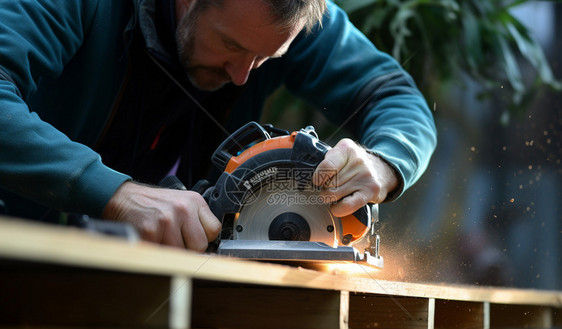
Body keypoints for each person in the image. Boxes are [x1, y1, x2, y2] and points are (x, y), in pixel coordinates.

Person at [0, 0, 437, 251]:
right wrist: (113, 192)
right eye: (230, 44)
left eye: (267, 58)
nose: (244, 74)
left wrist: (385, 162)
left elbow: (393, 96)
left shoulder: (286, 16)